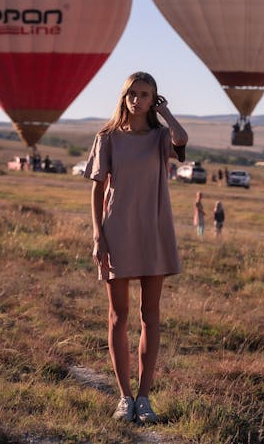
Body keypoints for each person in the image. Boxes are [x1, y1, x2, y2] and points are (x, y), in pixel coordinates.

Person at [84, 71, 188, 424]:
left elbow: (182, 141)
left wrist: (168, 113)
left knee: (150, 315)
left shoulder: (160, 137)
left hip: (154, 231)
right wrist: (98, 235)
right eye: (132, 93)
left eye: (145, 95)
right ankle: (124, 398)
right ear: (124, 96)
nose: (137, 99)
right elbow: (97, 189)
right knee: (118, 316)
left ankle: (145, 398)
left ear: (153, 100)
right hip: (117, 231)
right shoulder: (108, 137)